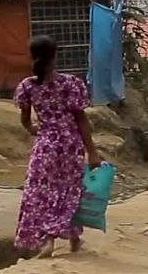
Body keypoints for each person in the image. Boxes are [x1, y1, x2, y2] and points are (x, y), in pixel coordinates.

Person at [14, 36, 101, 258]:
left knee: (43, 191)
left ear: (32, 57)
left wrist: (36, 130)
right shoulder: (71, 84)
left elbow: (25, 121)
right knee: (69, 190)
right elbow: (81, 120)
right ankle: (71, 238)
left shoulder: (27, 86)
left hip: (45, 145)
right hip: (71, 145)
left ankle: (49, 241)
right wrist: (92, 151)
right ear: (54, 56)